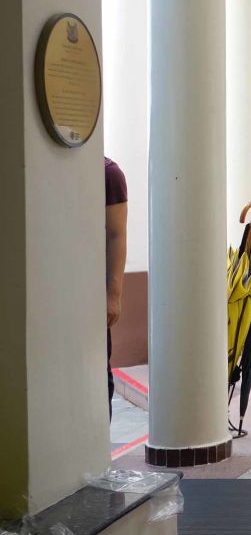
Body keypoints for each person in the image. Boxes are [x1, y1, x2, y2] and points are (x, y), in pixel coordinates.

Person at [105, 157, 128, 419]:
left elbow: (116, 234)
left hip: (92, 298)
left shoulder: (109, 174)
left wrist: (114, 294)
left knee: (99, 375)